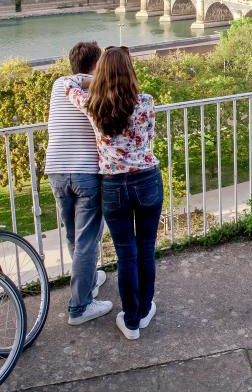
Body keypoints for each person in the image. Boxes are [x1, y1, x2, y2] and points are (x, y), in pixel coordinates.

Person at [64, 47, 163, 340]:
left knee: (126, 254)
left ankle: (131, 321)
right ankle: (144, 311)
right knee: (146, 249)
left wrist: (91, 82)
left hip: (113, 186)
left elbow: (68, 84)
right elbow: (150, 138)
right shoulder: (145, 102)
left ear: (102, 73)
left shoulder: (92, 103)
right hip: (146, 181)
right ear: (131, 72)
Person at [46, 42, 113, 325]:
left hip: (56, 171)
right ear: (96, 65)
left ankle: (86, 281)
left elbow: (74, 80)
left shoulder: (60, 85)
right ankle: (80, 307)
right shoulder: (98, 91)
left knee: (74, 236)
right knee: (87, 241)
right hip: (85, 173)